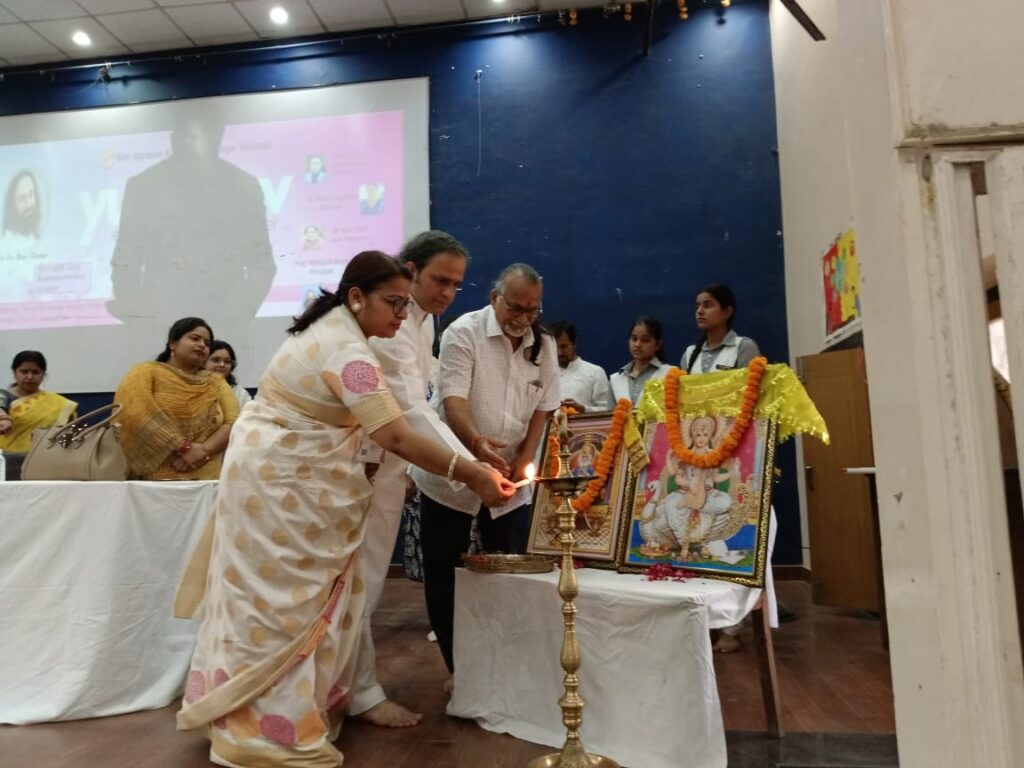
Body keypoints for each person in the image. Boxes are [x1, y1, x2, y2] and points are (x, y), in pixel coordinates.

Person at [174, 251, 513, 768]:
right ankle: (263, 730)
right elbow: (395, 433)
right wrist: (471, 473)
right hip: (282, 488)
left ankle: (283, 709)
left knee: (288, 600)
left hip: (283, 479)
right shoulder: (348, 352)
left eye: (405, 303)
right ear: (357, 297)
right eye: (394, 302)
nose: (402, 314)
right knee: (280, 604)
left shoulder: (337, 330)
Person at [410, 263, 560, 685]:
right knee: (446, 576)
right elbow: (453, 402)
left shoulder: (544, 344)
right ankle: (460, 671)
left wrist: (524, 458)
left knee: (508, 573)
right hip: (452, 472)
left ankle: (503, 669)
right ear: (495, 298)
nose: (524, 318)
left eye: (533, 310)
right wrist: (477, 447)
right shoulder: (463, 333)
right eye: (516, 307)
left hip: (511, 479)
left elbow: (543, 409)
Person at [350, 230, 474, 729]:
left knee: (365, 582)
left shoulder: (422, 322)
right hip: (359, 464)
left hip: (386, 462)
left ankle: (347, 687)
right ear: (410, 271)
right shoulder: (389, 325)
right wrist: (471, 467)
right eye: (440, 280)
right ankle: (358, 692)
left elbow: (424, 397)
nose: (448, 293)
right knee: (359, 582)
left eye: (457, 284)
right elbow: (407, 411)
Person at [108, 112, 275, 346]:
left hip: (226, 325)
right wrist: (139, 317)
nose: (186, 143)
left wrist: (237, 315)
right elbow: (125, 260)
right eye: (182, 136)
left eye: (196, 137)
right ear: (172, 138)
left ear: (217, 138)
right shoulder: (143, 186)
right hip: (159, 326)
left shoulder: (243, 186)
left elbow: (262, 265)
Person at [680, 283, 778, 652]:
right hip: (698, 453)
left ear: (728, 311)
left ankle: (734, 627)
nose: (700, 311)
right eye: (697, 305)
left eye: (708, 305)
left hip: (737, 453)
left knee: (737, 529)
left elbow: (751, 398)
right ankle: (704, 617)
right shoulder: (690, 354)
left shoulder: (743, 348)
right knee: (701, 531)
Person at [114, 317, 239, 480]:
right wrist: (183, 447)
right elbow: (137, 416)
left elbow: (234, 422)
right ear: (173, 343)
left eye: (207, 343)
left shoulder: (215, 382)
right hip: (154, 480)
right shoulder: (145, 373)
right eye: (195, 338)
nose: (202, 345)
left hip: (206, 482)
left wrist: (204, 450)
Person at [0, 351, 77, 452]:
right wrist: (3, 419)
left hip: (44, 457)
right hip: (6, 457)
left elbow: (69, 433)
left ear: (43, 374)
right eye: (24, 372)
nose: (30, 377)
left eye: (35, 372)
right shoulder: (4, 395)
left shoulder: (59, 403)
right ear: (15, 373)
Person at [548, 320, 611, 412]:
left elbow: (608, 410)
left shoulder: (595, 372)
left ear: (574, 343)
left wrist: (584, 409)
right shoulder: (544, 375)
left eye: (564, 346)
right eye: (554, 347)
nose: (559, 352)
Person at [609, 315, 669, 405]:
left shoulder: (669, 373)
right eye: (634, 339)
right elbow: (610, 413)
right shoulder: (616, 380)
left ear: (658, 345)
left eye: (645, 340)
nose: (637, 344)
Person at [205, 340, 253, 411]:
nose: (222, 365)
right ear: (203, 362)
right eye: (216, 360)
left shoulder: (240, 394)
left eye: (227, 361)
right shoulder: (193, 390)